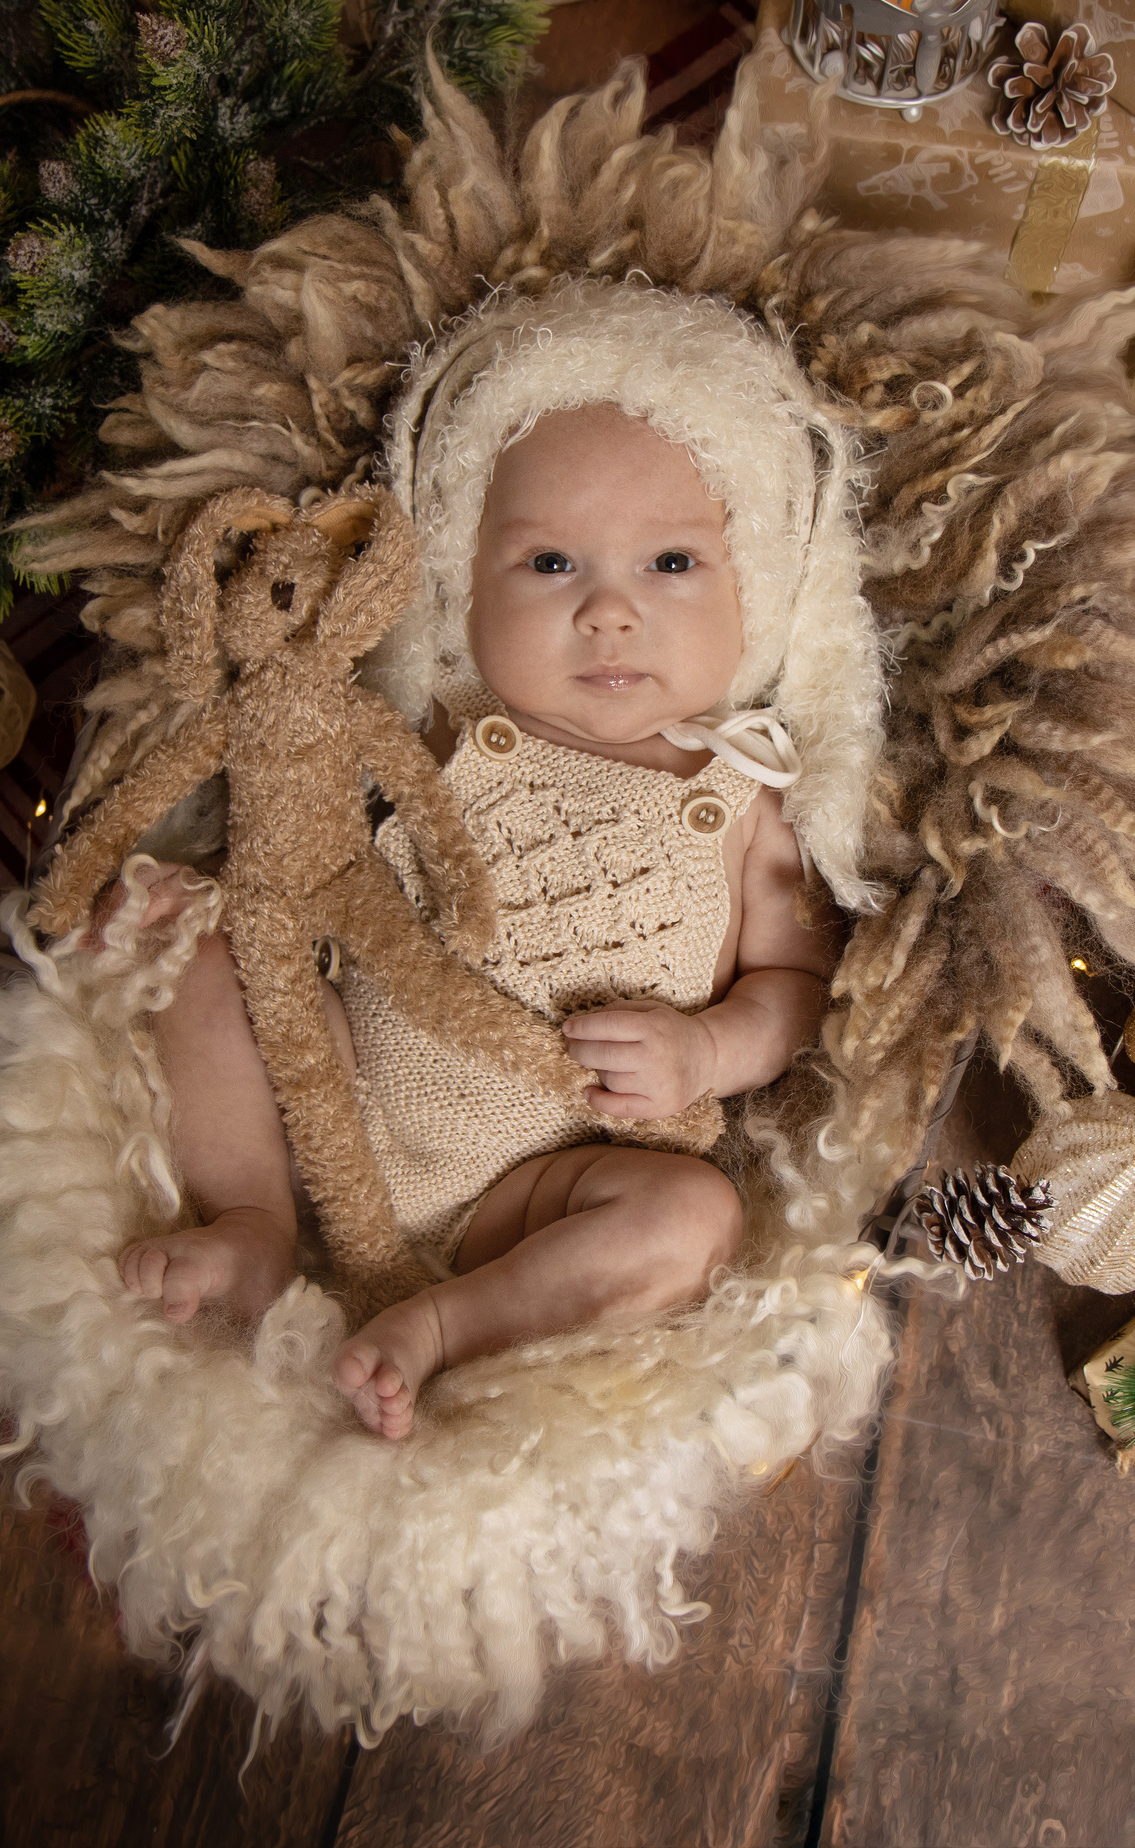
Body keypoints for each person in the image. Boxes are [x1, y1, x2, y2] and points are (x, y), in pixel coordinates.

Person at [115, 284, 884, 1439]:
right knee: (209, 953)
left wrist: (704, 1050)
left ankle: (447, 1324)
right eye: (551, 563)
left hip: (546, 1187)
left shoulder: (748, 798)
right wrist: (203, 893)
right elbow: (303, 847)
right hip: (337, 1093)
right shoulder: (432, 731)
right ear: (463, 587)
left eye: (672, 562)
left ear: (756, 592)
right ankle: (254, 1221)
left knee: (694, 1218)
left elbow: (795, 988)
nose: (609, 612)